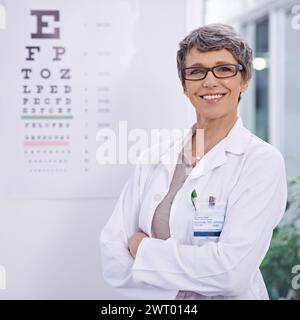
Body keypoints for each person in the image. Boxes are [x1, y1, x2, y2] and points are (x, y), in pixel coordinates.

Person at [100, 23, 287, 300]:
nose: (210, 81)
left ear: (244, 79)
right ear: (185, 86)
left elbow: (230, 274)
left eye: (224, 69)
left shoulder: (260, 162)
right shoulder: (154, 156)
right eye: (196, 71)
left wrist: (143, 250)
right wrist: (191, 274)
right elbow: (113, 254)